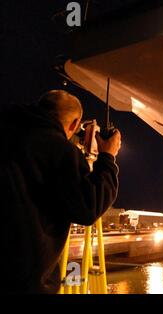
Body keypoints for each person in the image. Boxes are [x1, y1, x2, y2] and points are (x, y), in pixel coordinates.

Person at [0, 90, 121, 293]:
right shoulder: (60, 150)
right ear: (74, 125)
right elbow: (88, 207)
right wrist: (107, 158)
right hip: (24, 280)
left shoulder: (7, 133)